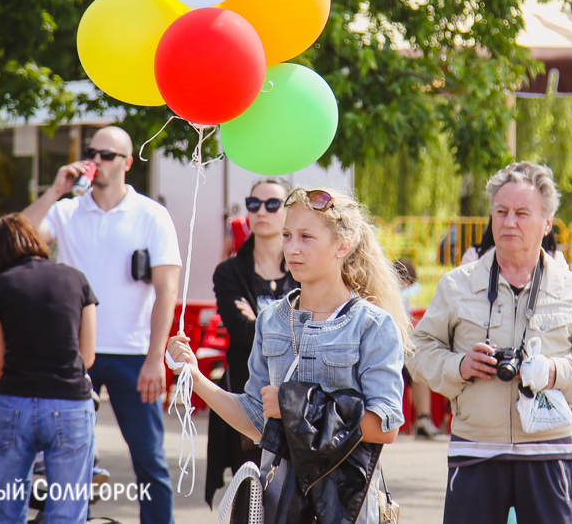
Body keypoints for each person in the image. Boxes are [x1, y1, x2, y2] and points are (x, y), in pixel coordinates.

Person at [168, 188, 410, 522]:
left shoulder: (372, 325)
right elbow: (257, 421)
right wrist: (195, 379)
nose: (292, 248)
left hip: (347, 508)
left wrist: (296, 406)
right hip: (277, 505)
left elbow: (385, 427)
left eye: (307, 237)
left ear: (343, 245)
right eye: (287, 235)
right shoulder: (271, 320)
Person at [408, 161, 572, 524]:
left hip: (548, 451)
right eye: (501, 212)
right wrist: (459, 366)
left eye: (522, 213)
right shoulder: (457, 285)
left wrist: (555, 371)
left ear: (547, 222)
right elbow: (417, 352)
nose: (509, 222)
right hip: (475, 449)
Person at [22, 126, 181, 524]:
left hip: (133, 356)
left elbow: (166, 292)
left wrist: (154, 359)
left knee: (150, 461)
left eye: (107, 155)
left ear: (127, 163)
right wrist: (56, 189)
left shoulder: (152, 215)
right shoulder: (66, 210)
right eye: (92, 152)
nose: (96, 160)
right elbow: (17, 239)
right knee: (71, 459)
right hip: (75, 356)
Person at [0, 213, 98, 524]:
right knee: (68, 511)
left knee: (7, 508)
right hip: (70, 403)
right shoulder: (77, 279)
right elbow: (87, 355)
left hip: (14, 402)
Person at [205, 178, 298, 507]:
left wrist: (259, 322)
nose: (262, 211)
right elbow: (240, 332)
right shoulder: (230, 271)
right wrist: (286, 326)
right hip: (245, 395)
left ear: (287, 210)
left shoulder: (303, 269)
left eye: (273, 204)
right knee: (248, 498)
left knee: (293, 497)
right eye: (253, 203)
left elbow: (316, 329)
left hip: (297, 398)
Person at [394, 258, 446, 440]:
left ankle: (423, 420)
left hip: (401, 351)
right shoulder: (390, 296)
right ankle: (422, 420)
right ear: (406, 282)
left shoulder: (401, 298)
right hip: (391, 352)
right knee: (418, 364)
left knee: (420, 366)